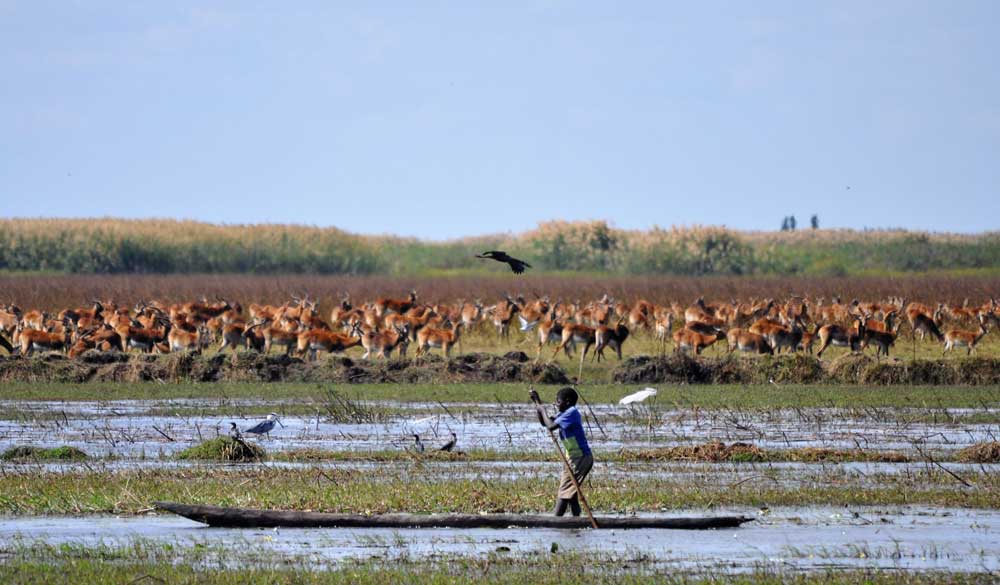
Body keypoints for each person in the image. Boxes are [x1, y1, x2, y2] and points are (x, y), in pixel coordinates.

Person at [529, 386, 594, 517]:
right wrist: (538, 404)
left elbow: (551, 426)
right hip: (573, 457)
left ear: (568, 401)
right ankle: (577, 521)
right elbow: (545, 423)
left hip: (580, 458)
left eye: (558, 402)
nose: (556, 404)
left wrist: (542, 410)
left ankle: (555, 522)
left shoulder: (572, 412)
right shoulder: (563, 413)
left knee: (564, 492)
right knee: (571, 494)